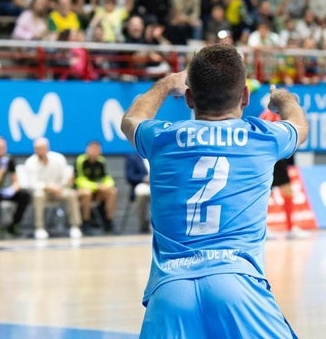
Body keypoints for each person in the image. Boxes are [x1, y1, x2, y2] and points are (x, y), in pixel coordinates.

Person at [120, 43, 308, 338]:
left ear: (190, 98)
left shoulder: (161, 138)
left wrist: (168, 83)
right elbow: (299, 125)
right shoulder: (264, 137)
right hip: (236, 283)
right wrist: (283, 99)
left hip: (169, 290)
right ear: (245, 96)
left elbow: (131, 119)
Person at [259, 109, 310, 240]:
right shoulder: (271, 116)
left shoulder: (275, 115)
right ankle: (266, 228)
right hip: (273, 157)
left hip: (275, 158)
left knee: (283, 191)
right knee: (270, 193)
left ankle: (290, 227)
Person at [24, 138, 82, 240]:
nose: (39, 151)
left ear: (47, 148)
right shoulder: (30, 162)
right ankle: (39, 228)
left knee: (71, 194)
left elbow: (66, 176)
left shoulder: (59, 158)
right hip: (43, 192)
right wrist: (47, 186)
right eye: (37, 148)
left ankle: (75, 226)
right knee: (38, 195)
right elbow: (32, 183)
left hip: (59, 190)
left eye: (42, 148)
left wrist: (60, 186)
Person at [74, 141, 117, 234]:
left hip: (98, 192)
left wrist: (106, 186)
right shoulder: (80, 160)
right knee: (87, 193)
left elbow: (108, 178)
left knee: (112, 192)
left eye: (97, 149)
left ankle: (108, 222)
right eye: (92, 148)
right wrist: (96, 186)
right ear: (87, 149)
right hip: (82, 191)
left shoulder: (101, 161)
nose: (95, 151)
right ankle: (85, 222)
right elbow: (79, 180)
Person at [125, 153, 150, 233]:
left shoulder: (159, 154)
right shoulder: (132, 157)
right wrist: (143, 178)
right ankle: (143, 224)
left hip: (158, 184)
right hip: (143, 184)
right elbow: (130, 176)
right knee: (141, 192)